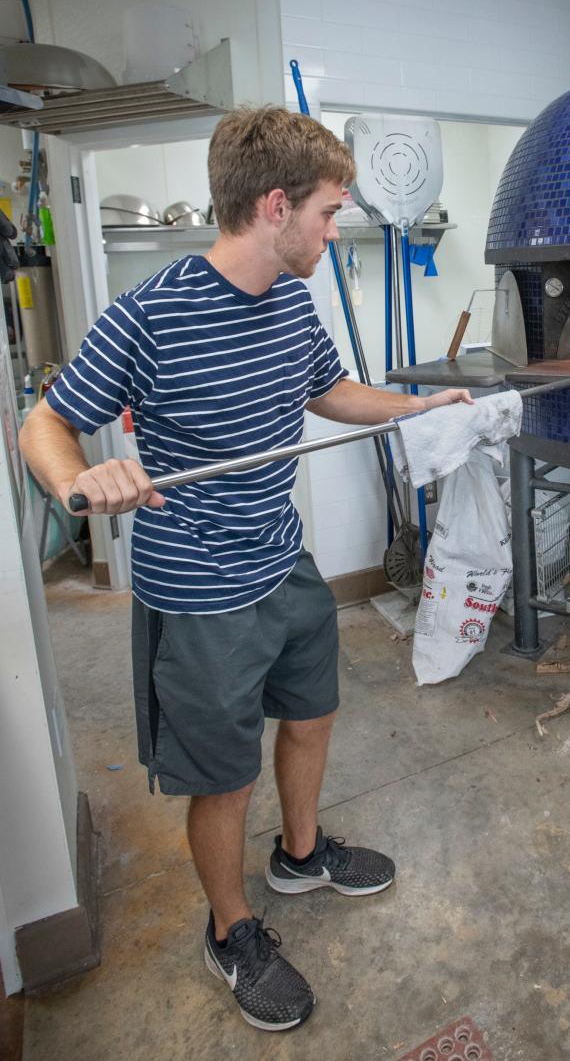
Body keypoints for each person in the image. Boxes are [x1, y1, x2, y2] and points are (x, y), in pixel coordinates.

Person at [19, 106, 473, 1032]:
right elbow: (44, 424)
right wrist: (81, 479)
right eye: (328, 212)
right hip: (198, 595)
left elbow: (328, 390)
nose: (333, 230)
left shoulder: (291, 300)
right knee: (222, 778)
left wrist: (419, 408)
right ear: (275, 205)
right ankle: (231, 930)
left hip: (282, 561)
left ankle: (300, 855)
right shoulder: (154, 311)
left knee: (313, 714)